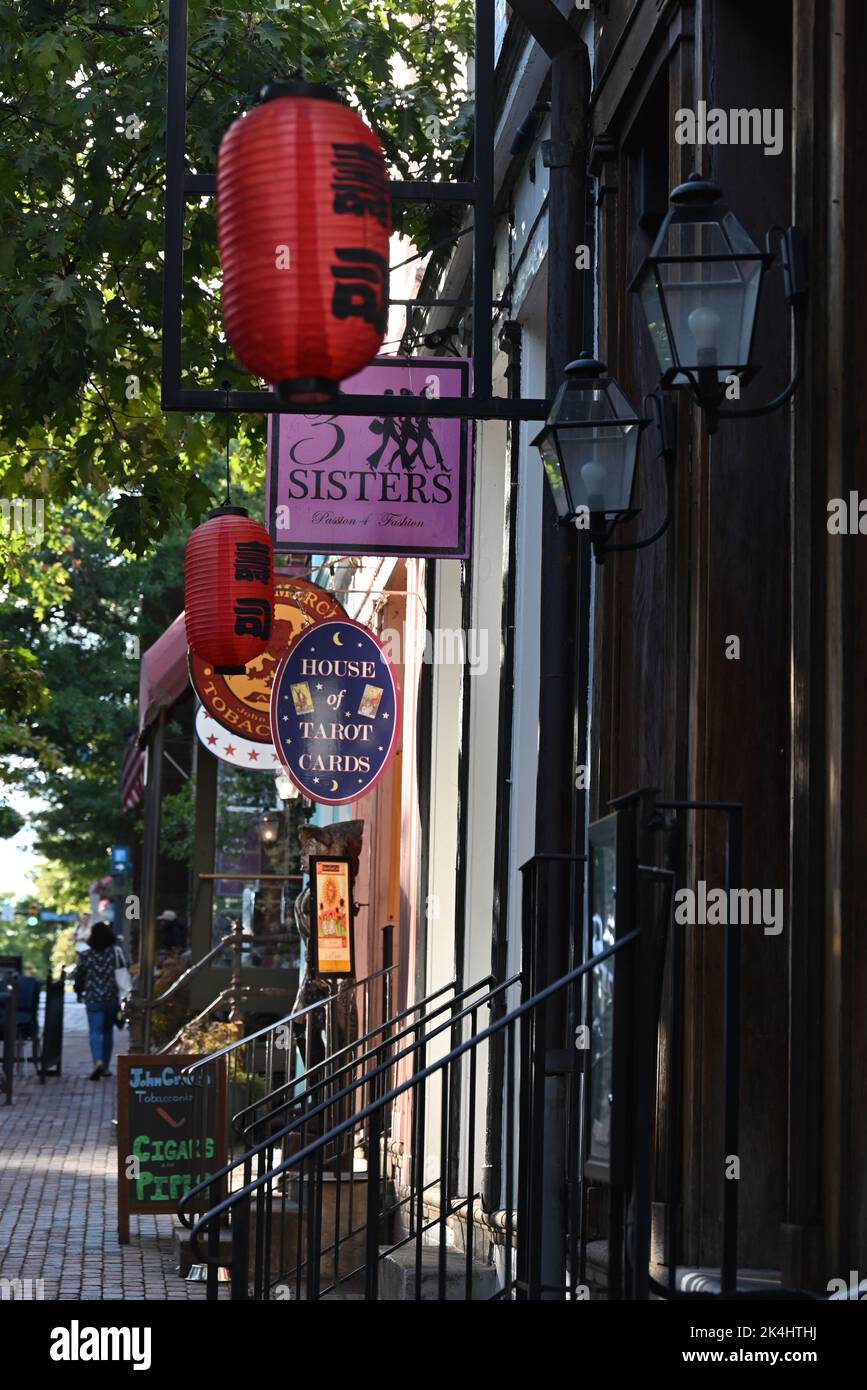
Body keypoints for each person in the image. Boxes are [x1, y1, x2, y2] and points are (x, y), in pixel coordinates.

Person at [74, 918, 127, 1080]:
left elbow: (79, 977)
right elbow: (124, 969)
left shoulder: (85, 955)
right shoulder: (115, 953)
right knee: (108, 1032)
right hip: (111, 998)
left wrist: (79, 991)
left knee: (95, 1032)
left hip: (93, 998)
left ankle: (97, 1061)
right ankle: (105, 1066)